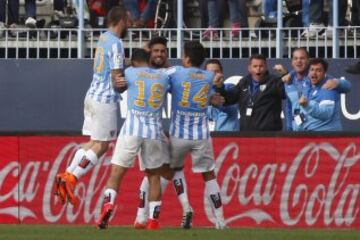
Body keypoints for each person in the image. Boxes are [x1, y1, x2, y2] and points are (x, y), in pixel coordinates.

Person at [54, 6, 129, 206]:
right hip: (105, 99)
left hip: (91, 94)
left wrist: (129, 64)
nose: (129, 24)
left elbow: (112, 64)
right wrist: (126, 83)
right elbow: (116, 77)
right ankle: (72, 178)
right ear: (122, 20)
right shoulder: (117, 43)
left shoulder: (103, 38)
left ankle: (66, 175)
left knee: (92, 143)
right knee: (102, 146)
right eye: (127, 20)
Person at [96, 48, 169, 230]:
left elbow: (118, 82)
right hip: (153, 131)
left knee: (117, 174)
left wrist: (126, 66)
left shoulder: (129, 72)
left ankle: (108, 206)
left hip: (132, 129)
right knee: (153, 177)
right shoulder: (162, 76)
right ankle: (153, 220)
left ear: (134, 61)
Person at [133, 36, 194, 230]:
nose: (159, 54)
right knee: (157, 174)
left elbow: (187, 78)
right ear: (148, 53)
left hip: (156, 131)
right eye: (155, 51)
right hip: (142, 130)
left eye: (163, 51)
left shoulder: (169, 72)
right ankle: (145, 217)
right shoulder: (141, 71)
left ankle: (142, 218)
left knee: (157, 174)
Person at [166, 41, 226, 229]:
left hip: (178, 134)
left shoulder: (175, 72)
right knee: (209, 175)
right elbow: (215, 97)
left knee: (175, 169)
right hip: (201, 134)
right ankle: (220, 220)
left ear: (187, 58)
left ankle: (186, 207)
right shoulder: (209, 76)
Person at [273, 47, 351, 131]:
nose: (299, 61)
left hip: (323, 134)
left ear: (308, 61)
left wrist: (338, 82)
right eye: (295, 58)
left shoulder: (324, 82)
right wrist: (290, 129)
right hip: (302, 131)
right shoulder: (291, 80)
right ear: (292, 62)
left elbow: (347, 87)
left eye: (302, 58)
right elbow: (291, 106)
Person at [214, 54, 285, 131]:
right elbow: (228, 100)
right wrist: (219, 87)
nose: (258, 69)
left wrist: (285, 75)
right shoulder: (244, 82)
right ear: (249, 68)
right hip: (247, 134)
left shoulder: (275, 82)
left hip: (269, 134)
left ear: (266, 67)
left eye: (261, 66)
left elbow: (287, 94)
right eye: (255, 66)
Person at [285, 58, 343, 131]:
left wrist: (307, 105)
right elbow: (299, 110)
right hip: (308, 134)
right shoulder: (307, 84)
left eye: (318, 70)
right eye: (312, 70)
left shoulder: (328, 88)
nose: (314, 73)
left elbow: (326, 114)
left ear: (324, 73)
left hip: (326, 136)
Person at [205, 59, 239, 131]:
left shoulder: (230, 87)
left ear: (222, 73)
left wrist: (219, 87)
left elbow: (225, 103)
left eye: (216, 72)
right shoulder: (200, 93)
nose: (213, 75)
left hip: (228, 136)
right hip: (206, 138)